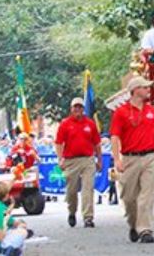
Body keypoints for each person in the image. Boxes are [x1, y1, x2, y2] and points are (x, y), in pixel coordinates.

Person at [110, 76, 154, 244]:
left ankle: (145, 229)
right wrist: (117, 159)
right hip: (129, 158)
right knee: (129, 198)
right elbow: (114, 137)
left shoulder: (152, 111)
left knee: (146, 196)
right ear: (135, 91)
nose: (149, 90)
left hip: (149, 157)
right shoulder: (121, 112)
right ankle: (133, 224)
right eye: (145, 87)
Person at [55, 97, 102, 228]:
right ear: (71, 109)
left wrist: (100, 160)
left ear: (83, 109)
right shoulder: (65, 124)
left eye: (80, 107)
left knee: (88, 188)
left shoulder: (90, 124)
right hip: (71, 160)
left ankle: (88, 217)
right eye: (75, 107)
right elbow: (58, 143)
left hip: (87, 159)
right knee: (71, 191)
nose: (77, 109)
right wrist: (60, 159)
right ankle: (72, 211)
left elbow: (97, 143)